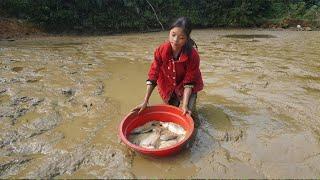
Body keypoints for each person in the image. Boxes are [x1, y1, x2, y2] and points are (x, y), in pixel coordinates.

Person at [132, 17, 203, 116]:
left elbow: (189, 82)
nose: (175, 40)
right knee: (171, 113)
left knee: (190, 114)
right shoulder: (161, 50)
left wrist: (185, 105)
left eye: (181, 38)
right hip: (168, 85)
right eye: (173, 35)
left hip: (188, 87)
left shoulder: (193, 55)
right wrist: (145, 101)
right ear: (169, 32)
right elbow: (153, 74)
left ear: (187, 39)